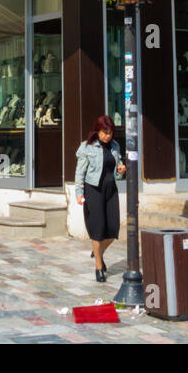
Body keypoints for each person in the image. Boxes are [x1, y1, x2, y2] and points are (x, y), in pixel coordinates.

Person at [74, 115, 126, 283]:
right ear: (97, 131)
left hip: (111, 190)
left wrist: (121, 169)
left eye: (110, 133)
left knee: (113, 228)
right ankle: (99, 266)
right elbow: (80, 172)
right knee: (98, 228)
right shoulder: (87, 147)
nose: (107, 136)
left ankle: (97, 252)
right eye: (104, 133)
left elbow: (116, 170)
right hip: (93, 190)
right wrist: (79, 192)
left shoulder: (115, 146)